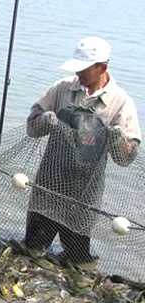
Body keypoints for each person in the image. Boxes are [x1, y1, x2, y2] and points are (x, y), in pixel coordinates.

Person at [24, 37, 141, 264]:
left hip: (84, 193)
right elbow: (31, 127)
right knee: (31, 253)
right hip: (49, 186)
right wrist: (44, 120)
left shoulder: (121, 102)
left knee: (78, 262)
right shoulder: (62, 88)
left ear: (102, 68)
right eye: (76, 68)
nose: (79, 74)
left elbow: (127, 159)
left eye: (84, 70)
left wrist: (118, 139)